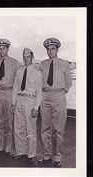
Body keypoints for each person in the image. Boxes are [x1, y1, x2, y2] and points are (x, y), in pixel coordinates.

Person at [38, 38, 72, 167]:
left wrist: (61, 90)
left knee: (58, 129)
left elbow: (68, 81)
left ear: (57, 49)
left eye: (53, 48)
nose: (50, 51)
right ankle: (46, 156)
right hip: (45, 96)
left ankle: (57, 157)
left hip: (58, 96)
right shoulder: (42, 64)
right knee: (44, 128)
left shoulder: (64, 64)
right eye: (48, 49)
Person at [11, 48, 42, 164]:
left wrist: (36, 107)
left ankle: (31, 154)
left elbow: (39, 91)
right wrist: (13, 103)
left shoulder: (37, 72)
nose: (26, 59)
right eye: (24, 56)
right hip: (19, 99)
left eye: (28, 56)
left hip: (30, 100)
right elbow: (15, 87)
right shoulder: (19, 71)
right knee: (18, 128)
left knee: (31, 130)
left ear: (32, 57)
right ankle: (21, 152)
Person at [0, 39, 21, 157]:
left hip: (9, 93)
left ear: (8, 49)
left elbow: (18, 83)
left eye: (4, 48)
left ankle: (7, 149)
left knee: (9, 123)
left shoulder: (15, 63)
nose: (1, 50)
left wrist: (16, 100)